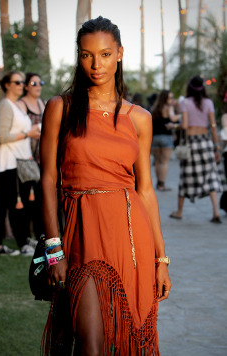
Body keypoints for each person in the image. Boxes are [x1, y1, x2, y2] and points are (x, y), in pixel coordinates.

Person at [40, 16, 171, 355]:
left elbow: (145, 190)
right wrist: (55, 252)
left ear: (120, 54)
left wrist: (161, 259)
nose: (96, 64)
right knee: (90, 345)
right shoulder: (61, 108)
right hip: (81, 236)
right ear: (79, 56)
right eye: (86, 55)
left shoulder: (139, 117)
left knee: (125, 343)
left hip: (130, 239)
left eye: (105, 54)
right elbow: (48, 179)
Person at [0, 71, 41, 255]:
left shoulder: (16, 106)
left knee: (4, 204)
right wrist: (28, 134)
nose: (21, 85)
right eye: (17, 82)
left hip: (19, 161)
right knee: (15, 204)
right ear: (7, 85)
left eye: (21, 82)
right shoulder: (5, 105)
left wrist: (32, 131)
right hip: (7, 162)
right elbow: (2, 137)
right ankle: (23, 243)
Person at [170, 75, 225, 223]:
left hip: (192, 144)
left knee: (185, 176)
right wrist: (216, 147)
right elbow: (213, 126)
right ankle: (216, 212)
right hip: (206, 142)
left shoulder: (185, 103)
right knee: (211, 176)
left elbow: (185, 125)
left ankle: (179, 212)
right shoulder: (208, 103)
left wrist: (174, 125)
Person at [18, 72, 46, 242]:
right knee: (28, 199)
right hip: (25, 159)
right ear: (26, 86)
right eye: (34, 83)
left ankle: (41, 234)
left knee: (42, 198)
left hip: (41, 158)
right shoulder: (20, 105)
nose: (38, 86)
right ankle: (26, 236)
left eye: (40, 82)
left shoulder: (43, 104)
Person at [151, 90, 181, 191]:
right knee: (164, 162)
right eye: (170, 97)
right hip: (166, 137)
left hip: (155, 138)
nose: (171, 100)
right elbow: (173, 118)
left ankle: (158, 183)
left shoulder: (155, 108)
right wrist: (182, 115)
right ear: (165, 98)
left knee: (158, 162)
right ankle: (162, 185)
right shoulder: (169, 108)